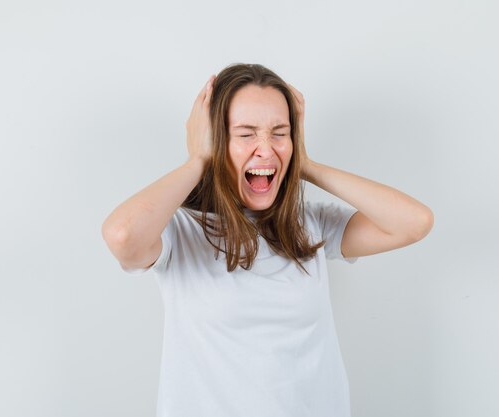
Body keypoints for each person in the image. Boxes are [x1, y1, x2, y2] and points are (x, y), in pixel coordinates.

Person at [101, 63, 434, 417]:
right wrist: (198, 159)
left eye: (279, 132)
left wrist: (305, 164)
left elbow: (414, 222)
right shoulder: (180, 231)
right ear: (215, 140)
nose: (265, 149)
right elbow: (123, 236)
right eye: (245, 134)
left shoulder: (309, 224)